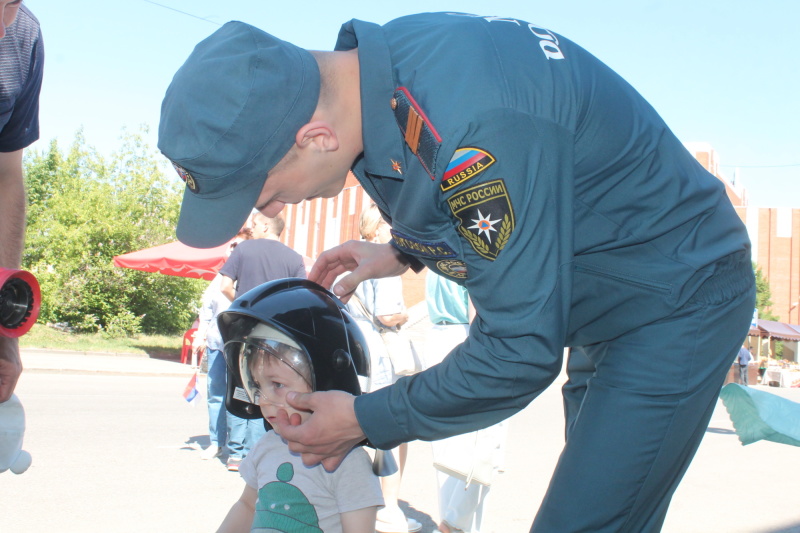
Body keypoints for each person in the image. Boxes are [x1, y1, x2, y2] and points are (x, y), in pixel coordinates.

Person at [159, 14, 756, 531]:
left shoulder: (472, 128)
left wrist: (365, 419)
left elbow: (518, 353)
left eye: (260, 192)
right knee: (612, 510)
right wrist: (402, 250)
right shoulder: (380, 76)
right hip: (606, 301)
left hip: (675, 300)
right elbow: (491, 203)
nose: (267, 212)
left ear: (317, 138)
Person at [215, 278, 383, 533]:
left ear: (326, 381)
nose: (261, 399)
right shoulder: (267, 446)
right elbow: (248, 505)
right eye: (257, 386)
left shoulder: (346, 461)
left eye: (278, 385)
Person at [345, 204, 419, 533]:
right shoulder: (383, 262)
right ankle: (388, 509)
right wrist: (409, 315)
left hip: (354, 354)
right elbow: (388, 315)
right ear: (377, 229)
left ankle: (355, 503)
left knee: (356, 430)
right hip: (380, 359)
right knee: (391, 432)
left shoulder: (351, 258)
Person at [218, 211, 307, 471]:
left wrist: (244, 304)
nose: (251, 227)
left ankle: (236, 453)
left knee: (239, 384)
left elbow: (224, 285)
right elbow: (301, 295)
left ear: (267, 225)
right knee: (267, 388)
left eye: (254, 223)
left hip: (244, 328)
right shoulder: (293, 258)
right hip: (277, 334)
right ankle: (260, 451)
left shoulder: (244, 250)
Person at [424, 272, 505, 533]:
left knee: (447, 444)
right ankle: (455, 522)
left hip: (438, 335)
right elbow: (478, 311)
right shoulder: (473, 247)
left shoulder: (436, 250)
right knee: (484, 440)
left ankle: (451, 517)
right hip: (465, 337)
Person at [0, 0, 44, 403]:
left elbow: (7, 176)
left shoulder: (23, 36)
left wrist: (5, 329)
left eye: (10, 4)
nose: (1, 29)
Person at [192, 228, 252, 461]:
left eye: (239, 247)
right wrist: (200, 334)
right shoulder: (220, 278)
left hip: (240, 347)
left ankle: (241, 446)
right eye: (232, 246)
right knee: (215, 393)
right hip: (217, 343)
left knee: (240, 395)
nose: (233, 250)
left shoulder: (249, 278)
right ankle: (216, 441)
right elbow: (207, 310)